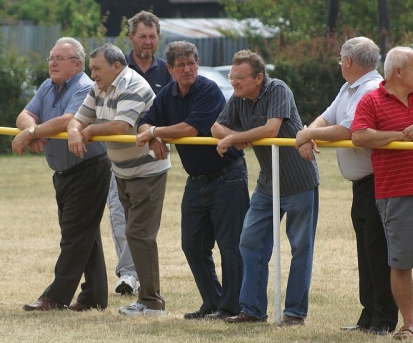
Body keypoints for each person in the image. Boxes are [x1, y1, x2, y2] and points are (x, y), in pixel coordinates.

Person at [136, 41, 250, 320]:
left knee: (230, 245)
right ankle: (213, 302)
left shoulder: (208, 89)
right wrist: (152, 137)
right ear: (170, 69)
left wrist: (154, 132)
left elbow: (189, 127)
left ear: (198, 64)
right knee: (192, 244)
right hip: (196, 179)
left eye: (191, 63)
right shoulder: (167, 95)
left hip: (228, 176)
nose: (187, 69)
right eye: (181, 65)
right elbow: (143, 119)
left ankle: (232, 308)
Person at [295, 37, 398, 335]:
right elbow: (327, 118)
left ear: (349, 61)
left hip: (376, 182)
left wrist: (306, 135)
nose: (340, 64)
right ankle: (369, 316)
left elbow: (348, 129)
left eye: (341, 59)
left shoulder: (370, 89)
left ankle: (384, 319)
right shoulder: (349, 88)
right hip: (361, 185)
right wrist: (309, 132)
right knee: (365, 253)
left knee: (377, 253)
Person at [351, 46, 413, 341]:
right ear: (398, 72)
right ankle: (409, 325)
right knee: (401, 263)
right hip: (395, 195)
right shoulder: (371, 100)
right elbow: (359, 136)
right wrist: (399, 135)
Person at [211, 50, 320, 326]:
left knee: (300, 248)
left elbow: (271, 129)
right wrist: (238, 137)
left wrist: (237, 138)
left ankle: (294, 313)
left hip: (299, 182)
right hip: (268, 183)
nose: (234, 82)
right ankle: (252, 309)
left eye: (240, 77)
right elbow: (216, 128)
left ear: (259, 77)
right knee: (249, 241)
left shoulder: (277, 89)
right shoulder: (239, 99)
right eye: (231, 77)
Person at [67, 43, 170, 316]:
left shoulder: (132, 85)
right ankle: (147, 300)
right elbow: (77, 119)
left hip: (146, 173)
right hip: (122, 171)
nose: (93, 74)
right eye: (91, 69)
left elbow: (120, 126)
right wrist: (76, 132)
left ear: (116, 66)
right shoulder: (99, 86)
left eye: (97, 68)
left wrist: (85, 131)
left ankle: (151, 303)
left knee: (139, 235)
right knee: (134, 235)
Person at [12, 37, 111, 312]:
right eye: (51, 58)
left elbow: (70, 120)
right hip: (64, 173)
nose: (52, 63)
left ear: (77, 64)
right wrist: (30, 129)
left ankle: (55, 297)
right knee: (84, 234)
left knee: (74, 235)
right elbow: (25, 114)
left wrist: (32, 133)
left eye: (59, 58)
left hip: (88, 169)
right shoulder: (47, 86)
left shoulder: (83, 87)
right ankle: (95, 296)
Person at [110, 10, 173, 295]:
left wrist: (158, 134)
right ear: (131, 37)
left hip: (153, 158)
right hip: (120, 157)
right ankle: (128, 275)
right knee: (120, 216)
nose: (148, 42)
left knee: (143, 224)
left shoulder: (167, 70)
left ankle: (136, 275)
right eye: (142, 36)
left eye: (153, 36)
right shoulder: (116, 68)